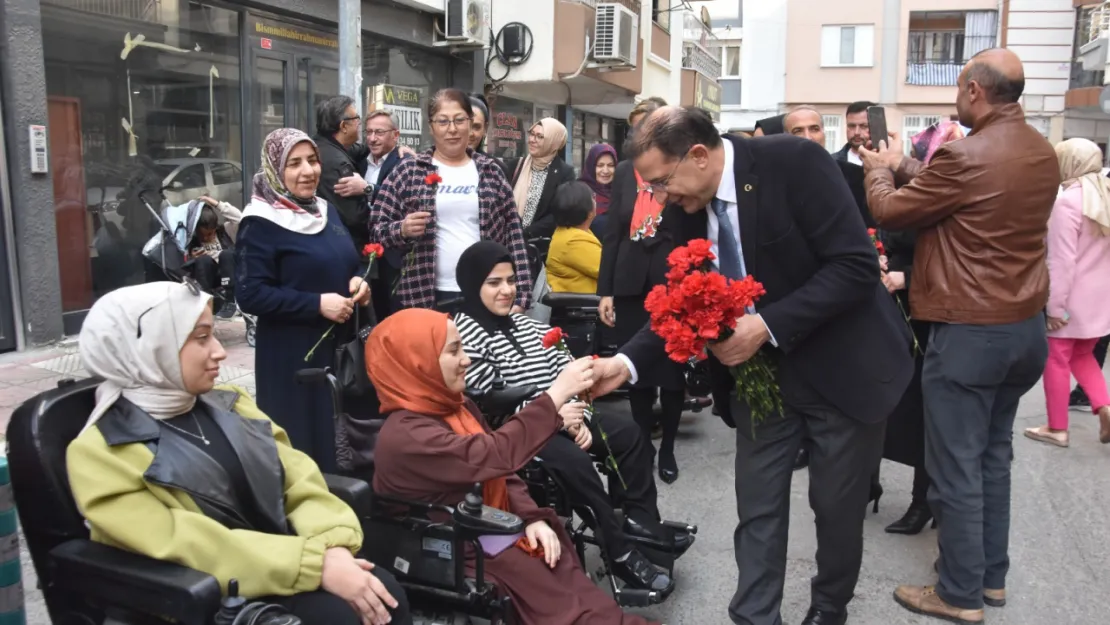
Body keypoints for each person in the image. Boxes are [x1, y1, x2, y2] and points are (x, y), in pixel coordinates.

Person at [592, 105, 915, 625]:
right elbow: (680, 298)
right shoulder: (684, 204)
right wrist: (625, 363)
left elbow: (854, 265)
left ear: (698, 155)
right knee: (758, 508)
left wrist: (766, 326)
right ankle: (755, 615)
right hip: (762, 382)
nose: (660, 198)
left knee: (836, 512)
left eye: (662, 182)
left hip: (842, 369)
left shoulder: (796, 162)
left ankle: (829, 608)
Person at [67, 282, 411, 625]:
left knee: (386, 594)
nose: (219, 352)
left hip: (288, 557)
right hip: (214, 595)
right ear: (148, 348)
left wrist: (332, 546)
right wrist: (313, 565)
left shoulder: (231, 402)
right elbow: (189, 544)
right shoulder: (103, 452)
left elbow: (298, 480)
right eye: (201, 338)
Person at [860, 48, 1057, 623]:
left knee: (956, 467)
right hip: (1023, 330)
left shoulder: (965, 154)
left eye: (957, 86)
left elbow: (891, 212)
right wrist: (903, 166)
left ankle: (959, 592)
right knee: (993, 457)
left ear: (974, 90)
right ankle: (989, 579)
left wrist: (878, 168)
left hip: (972, 333)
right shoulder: (1040, 152)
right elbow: (960, 194)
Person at [366, 308, 665, 625]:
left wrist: (529, 517)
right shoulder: (405, 436)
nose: (466, 359)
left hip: (485, 524)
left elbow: (500, 472)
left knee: (556, 558)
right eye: (454, 350)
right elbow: (494, 454)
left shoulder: (455, 405)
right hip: (450, 543)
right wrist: (556, 394)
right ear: (417, 363)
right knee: (552, 588)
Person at [453, 241, 689, 595]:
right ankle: (620, 550)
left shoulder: (524, 323)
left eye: (511, 281)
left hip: (566, 413)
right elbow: (488, 397)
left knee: (628, 435)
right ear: (473, 285)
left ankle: (642, 527)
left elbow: (567, 370)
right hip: (517, 430)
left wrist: (580, 414)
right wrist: (555, 417)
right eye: (494, 283)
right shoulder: (464, 333)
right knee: (574, 463)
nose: (506, 290)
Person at [236, 128, 371, 474]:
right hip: (292, 357)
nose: (308, 171)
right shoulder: (260, 222)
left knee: (338, 436)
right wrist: (315, 304)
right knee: (303, 442)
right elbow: (250, 293)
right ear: (274, 170)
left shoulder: (325, 211)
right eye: (294, 164)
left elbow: (350, 260)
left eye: (312, 160)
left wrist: (359, 279)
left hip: (338, 351)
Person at [370, 88, 533, 313]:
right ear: (431, 126)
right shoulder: (409, 171)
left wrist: (521, 295)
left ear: (470, 122)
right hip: (425, 294)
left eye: (459, 120)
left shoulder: (490, 171)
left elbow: (514, 233)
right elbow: (377, 229)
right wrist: (403, 230)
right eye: (443, 121)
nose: (452, 129)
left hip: (487, 292)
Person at [597, 115, 688, 484]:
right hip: (630, 282)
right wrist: (606, 290)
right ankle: (643, 445)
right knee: (634, 369)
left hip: (671, 281)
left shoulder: (677, 164)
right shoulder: (623, 172)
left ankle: (666, 447)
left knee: (670, 373)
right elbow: (615, 233)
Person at [1023, 138, 1110, 447]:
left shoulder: (1068, 202)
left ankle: (1057, 427)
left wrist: (1054, 308)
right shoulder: (1105, 197)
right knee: (1084, 356)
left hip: (1070, 298)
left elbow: (1061, 261)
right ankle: (1105, 406)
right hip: (1101, 301)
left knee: (1056, 360)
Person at [313, 96, 373, 251]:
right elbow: (356, 216)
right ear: (344, 126)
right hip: (346, 246)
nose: (359, 123)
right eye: (357, 119)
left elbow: (358, 150)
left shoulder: (320, 144)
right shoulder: (337, 163)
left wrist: (394, 146)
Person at [506, 118, 577, 240]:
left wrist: (527, 233)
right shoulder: (515, 165)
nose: (532, 140)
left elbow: (560, 213)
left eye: (540, 137)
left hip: (539, 245)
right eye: (532, 134)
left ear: (553, 142)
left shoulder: (565, 173)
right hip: (508, 239)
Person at [186, 195, 241, 318]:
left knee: (226, 254)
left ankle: (231, 302)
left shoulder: (226, 230)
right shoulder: (191, 241)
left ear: (215, 228)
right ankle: (204, 304)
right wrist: (192, 259)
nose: (206, 238)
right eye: (202, 234)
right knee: (202, 260)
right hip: (209, 276)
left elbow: (240, 219)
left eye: (209, 234)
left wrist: (217, 204)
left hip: (229, 273)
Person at [545, 181, 602, 294]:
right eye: (593, 198)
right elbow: (610, 272)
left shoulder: (568, 233)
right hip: (585, 306)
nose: (596, 201)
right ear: (588, 211)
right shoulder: (573, 240)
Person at [580, 143, 618, 238]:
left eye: (610, 165)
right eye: (600, 165)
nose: (605, 171)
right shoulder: (580, 192)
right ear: (591, 166)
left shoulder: (620, 192)